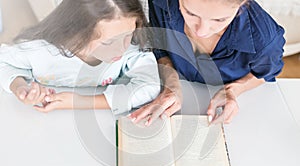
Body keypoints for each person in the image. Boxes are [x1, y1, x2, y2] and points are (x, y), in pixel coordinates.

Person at [129, 0, 285, 125]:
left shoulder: (265, 39)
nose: (201, 31)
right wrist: (171, 83)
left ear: (242, 4)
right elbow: (160, 47)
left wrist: (233, 90)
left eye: (219, 19)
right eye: (190, 13)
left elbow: (266, 73)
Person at [0, 0, 160, 115]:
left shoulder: (132, 50)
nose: (121, 48)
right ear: (77, 33)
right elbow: (3, 61)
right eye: (108, 42)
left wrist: (80, 102)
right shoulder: (39, 50)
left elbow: (148, 87)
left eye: (127, 35)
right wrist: (20, 87)